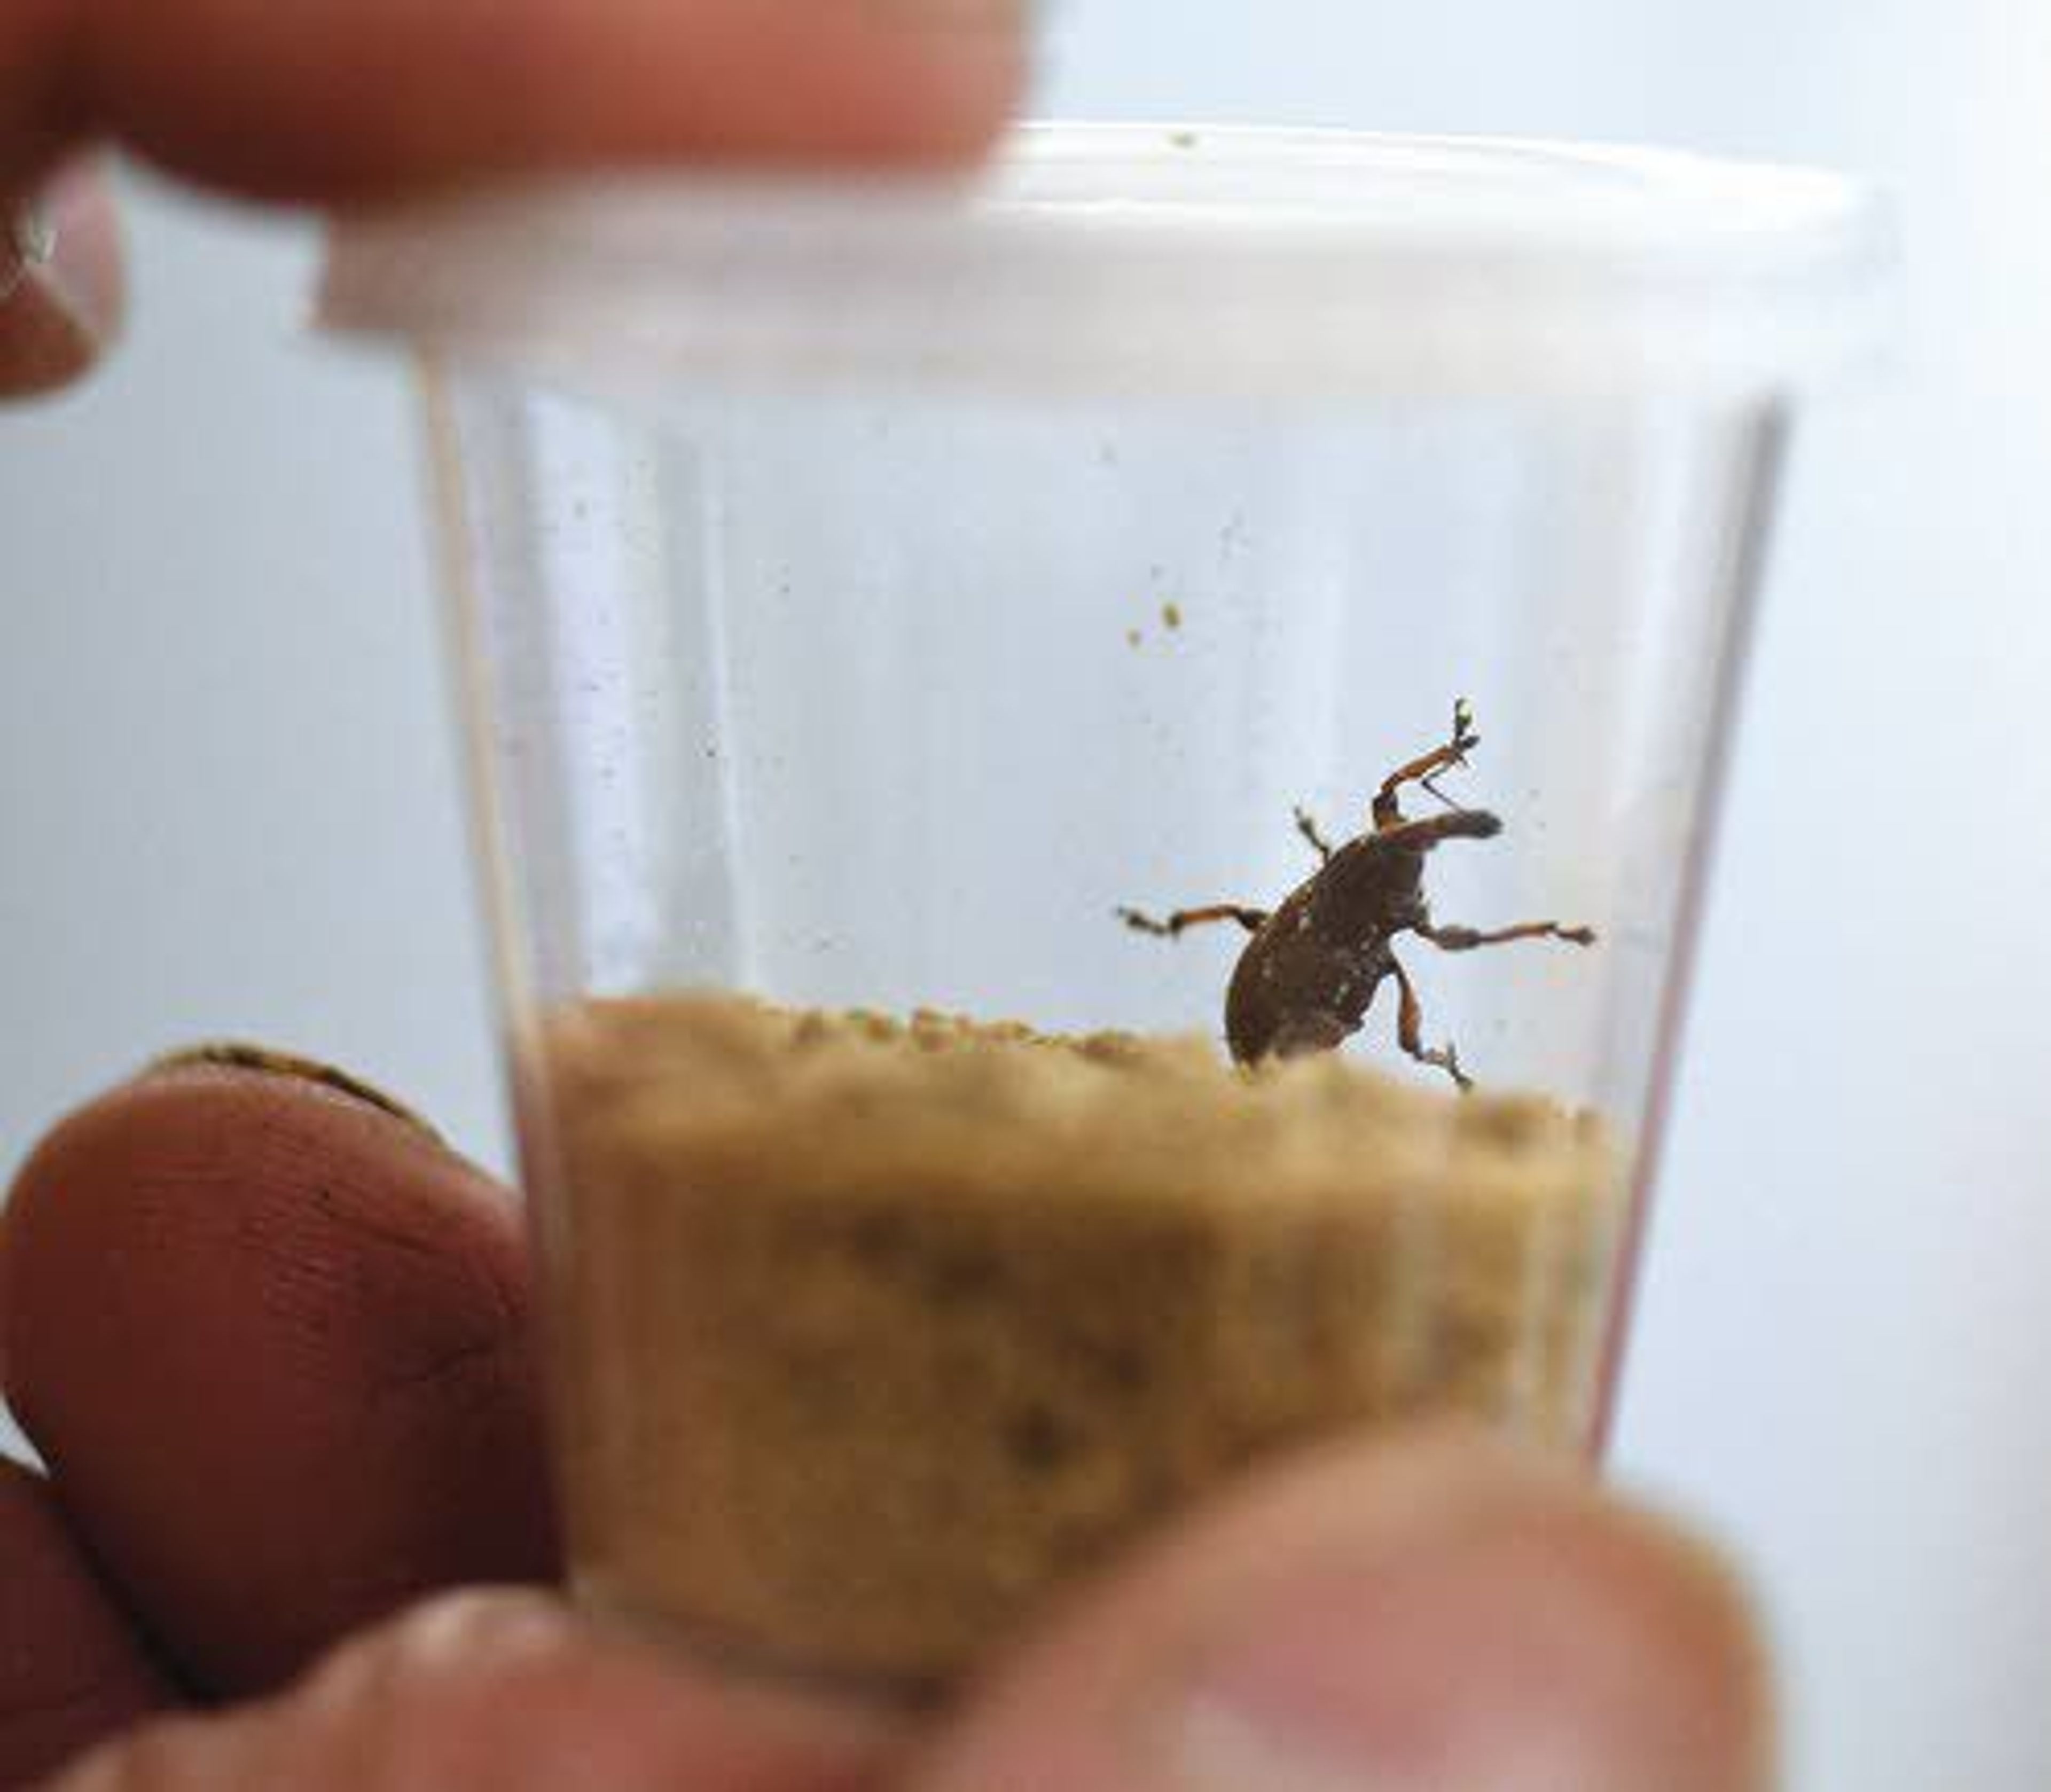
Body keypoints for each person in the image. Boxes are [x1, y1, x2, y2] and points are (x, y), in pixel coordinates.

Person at [0, 4, 1771, 1785]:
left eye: (1407, 846)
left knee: (1364, 952)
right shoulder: (1348, 901)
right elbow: (1382, 879)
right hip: (1265, 1019)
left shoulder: (1363, 910)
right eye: (1407, 838)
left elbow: (1398, 892)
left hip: (1278, 1011)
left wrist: (1468, 906)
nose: (1413, 848)